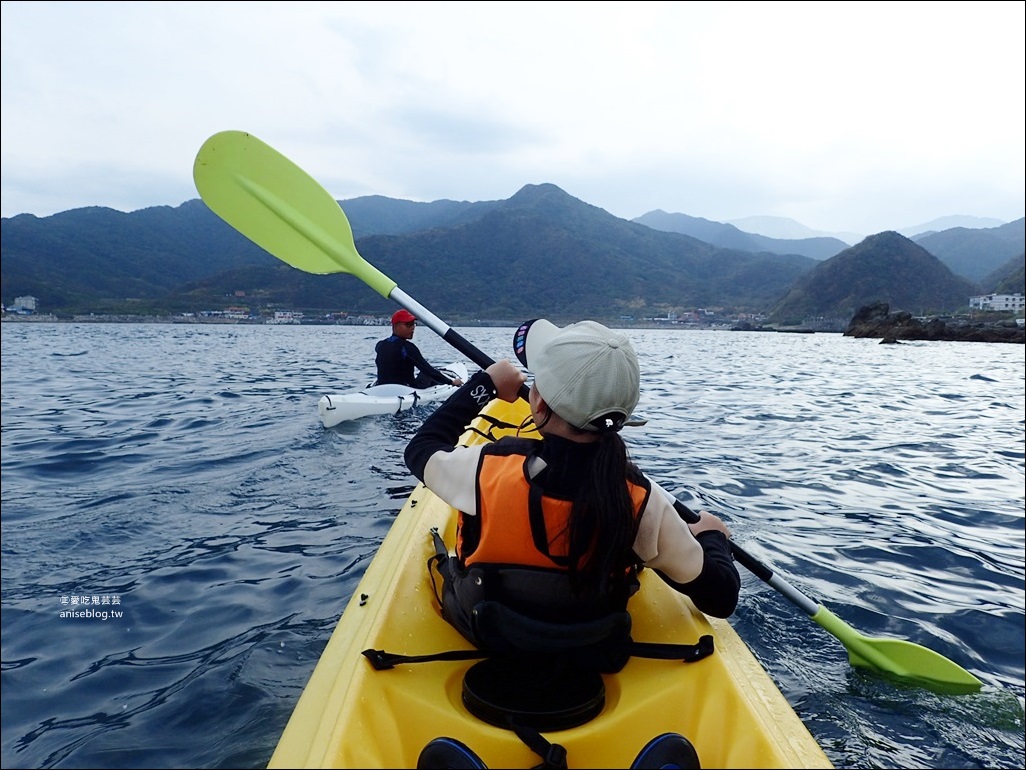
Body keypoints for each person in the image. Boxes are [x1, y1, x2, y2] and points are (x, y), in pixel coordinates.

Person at [404, 318, 740, 672]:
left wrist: (484, 385)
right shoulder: (642, 501)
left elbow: (422, 448)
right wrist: (713, 536)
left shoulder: (486, 469)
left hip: (488, 631)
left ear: (538, 405)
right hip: (589, 647)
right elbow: (720, 596)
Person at [375, 309, 464, 388]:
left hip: (381, 387)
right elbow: (428, 370)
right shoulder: (408, 348)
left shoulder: (380, 345)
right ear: (395, 326)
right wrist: (451, 382)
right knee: (427, 374)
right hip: (406, 389)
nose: (413, 328)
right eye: (408, 324)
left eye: (414, 324)